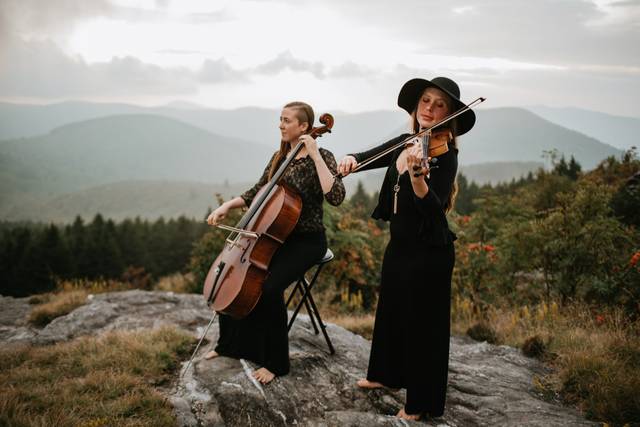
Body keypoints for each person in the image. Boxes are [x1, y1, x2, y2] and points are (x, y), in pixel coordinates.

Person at [337, 77, 476, 420]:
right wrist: (352, 158)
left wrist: (418, 178)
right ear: (416, 106)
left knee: (423, 327)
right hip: (400, 245)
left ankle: (422, 403)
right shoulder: (406, 142)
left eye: (439, 104)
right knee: (392, 312)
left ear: (450, 114)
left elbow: (433, 211)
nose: (429, 108)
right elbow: (371, 156)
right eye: (425, 101)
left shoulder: (447, 156)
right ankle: (385, 375)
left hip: (429, 251)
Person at [204, 101, 345, 384]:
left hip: (307, 241)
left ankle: (277, 363)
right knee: (238, 278)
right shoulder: (279, 156)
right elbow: (258, 192)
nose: (281, 125)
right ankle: (230, 345)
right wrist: (226, 207)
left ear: (304, 127)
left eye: (287, 120)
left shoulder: (323, 156)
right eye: (280, 120)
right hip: (276, 237)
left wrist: (316, 155)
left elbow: (337, 196)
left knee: (268, 288)